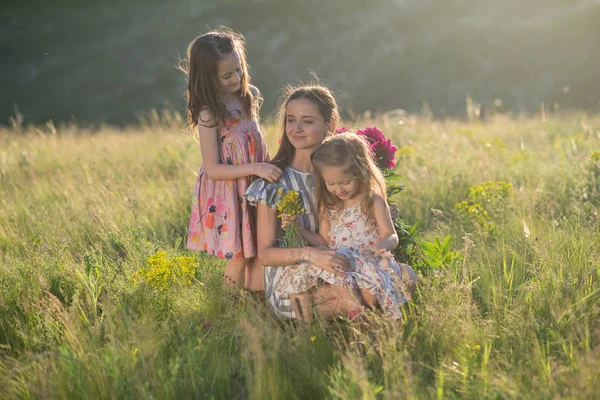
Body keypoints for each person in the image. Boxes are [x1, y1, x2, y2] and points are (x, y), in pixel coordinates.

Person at [246, 85, 364, 320]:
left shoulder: (339, 178)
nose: (296, 129)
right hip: (290, 288)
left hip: (336, 269)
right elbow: (266, 255)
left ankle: (361, 329)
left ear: (329, 125)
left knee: (404, 276)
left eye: (307, 121)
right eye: (291, 120)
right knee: (368, 293)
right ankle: (355, 339)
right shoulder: (274, 182)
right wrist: (311, 254)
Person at [275, 132, 418, 320]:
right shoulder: (328, 204)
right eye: (331, 183)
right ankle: (356, 314)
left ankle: (341, 314)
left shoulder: (371, 199)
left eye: (345, 182)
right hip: (341, 263)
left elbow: (391, 235)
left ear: (361, 172)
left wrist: (381, 246)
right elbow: (323, 241)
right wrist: (298, 229)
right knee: (338, 273)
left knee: (395, 281)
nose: (339, 189)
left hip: (366, 260)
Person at [181, 27, 281, 289]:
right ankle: (229, 306)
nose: (236, 78)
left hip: (254, 186)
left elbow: (256, 143)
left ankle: (253, 300)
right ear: (207, 77)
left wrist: (270, 167)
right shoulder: (209, 113)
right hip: (229, 192)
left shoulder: (247, 97)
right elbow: (213, 169)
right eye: (226, 75)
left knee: (257, 248)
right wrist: (256, 168)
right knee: (238, 255)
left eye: (238, 70)